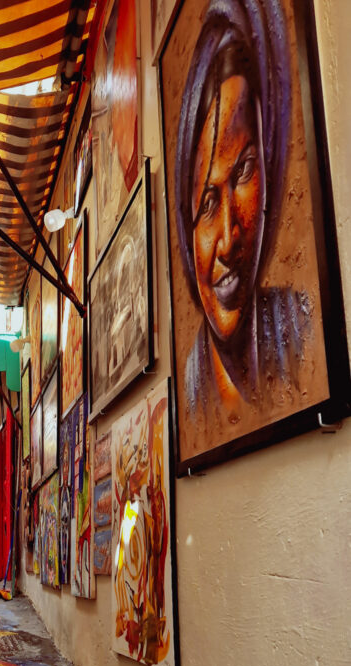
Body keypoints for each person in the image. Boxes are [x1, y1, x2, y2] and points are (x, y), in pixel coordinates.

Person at [175, 0, 306, 428]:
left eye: (244, 171)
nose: (229, 238)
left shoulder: (302, 330)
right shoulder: (190, 397)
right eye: (207, 203)